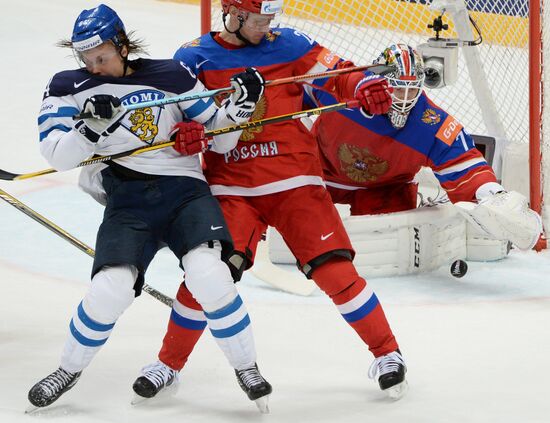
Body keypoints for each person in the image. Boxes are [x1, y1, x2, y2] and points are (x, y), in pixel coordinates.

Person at [132, 0, 408, 402]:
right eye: (261, 19)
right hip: (231, 188)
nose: (268, 26)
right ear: (235, 15)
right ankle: (167, 365)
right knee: (208, 276)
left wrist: (365, 87)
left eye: (270, 19)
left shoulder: (291, 45)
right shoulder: (193, 58)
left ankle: (388, 354)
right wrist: (183, 137)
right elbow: (172, 119)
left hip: (295, 181)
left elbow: (340, 74)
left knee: (335, 272)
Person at [28, 4, 272, 411]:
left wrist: (240, 109)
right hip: (128, 201)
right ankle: (67, 370)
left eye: (102, 57)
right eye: (86, 59)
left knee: (209, 276)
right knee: (111, 289)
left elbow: (222, 138)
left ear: (122, 45)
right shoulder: (67, 85)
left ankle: (247, 367)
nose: (95, 67)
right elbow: (58, 155)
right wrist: (90, 130)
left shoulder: (172, 75)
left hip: (186, 194)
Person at [306, 43, 542, 251]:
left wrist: (493, 195)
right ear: (381, 81)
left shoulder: (430, 122)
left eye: (413, 89)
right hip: (318, 177)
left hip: (384, 192)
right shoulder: (343, 89)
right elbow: (294, 88)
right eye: (398, 89)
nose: (406, 99)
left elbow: (464, 164)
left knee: (391, 247)